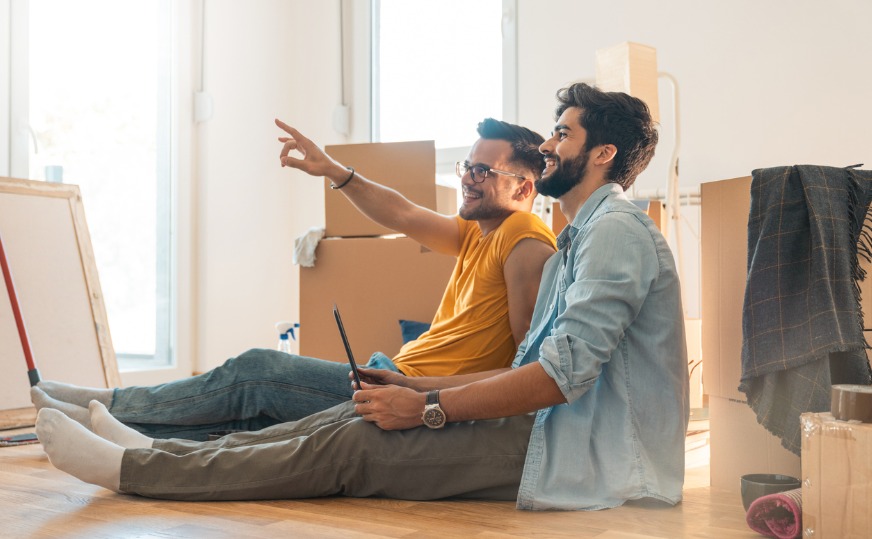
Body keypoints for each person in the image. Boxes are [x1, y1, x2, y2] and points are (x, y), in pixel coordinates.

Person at [36, 83, 689, 511]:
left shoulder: (601, 236)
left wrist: (427, 406)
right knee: (346, 420)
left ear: (603, 153)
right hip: (550, 429)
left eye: (563, 135)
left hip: (584, 456)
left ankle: (137, 466)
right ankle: (148, 453)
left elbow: (554, 376)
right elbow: (533, 364)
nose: (549, 145)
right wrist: (416, 389)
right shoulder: (581, 237)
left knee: (351, 442)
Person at [31, 118, 557, 440]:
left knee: (253, 373)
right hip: (387, 375)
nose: (469, 177)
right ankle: (102, 425)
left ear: (525, 188)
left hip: (401, 388)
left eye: (485, 171)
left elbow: (526, 366)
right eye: (468, 165)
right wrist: (336, 172)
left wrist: (426, 402)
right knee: (253, 421)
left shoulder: (525, 235)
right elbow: (399, 212)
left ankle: (103, 404)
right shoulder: (479, 233)